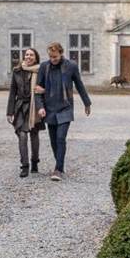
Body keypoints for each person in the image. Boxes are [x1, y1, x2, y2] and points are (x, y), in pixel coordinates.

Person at [35, 40, 90, 182]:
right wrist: (40, 107)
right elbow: (37, 90)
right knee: (53, 141)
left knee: (61, 138)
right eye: (51, 57)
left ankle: (58, 169)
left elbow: (79, 84)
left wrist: (86, 103)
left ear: (61, 53)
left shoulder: (71, 66)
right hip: (49, 108)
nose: (53, 60)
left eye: (55, 57)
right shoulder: (44, 67)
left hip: (65, 108)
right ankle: (59, 164)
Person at [6, 47, 46, 177]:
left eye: (31, 55)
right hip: (20, 107)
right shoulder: (17, 71)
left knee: (34, 135)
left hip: (34, 106)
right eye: (27, 55)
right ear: (24, 57)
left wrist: (43, 93)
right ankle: (24, 166)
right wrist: (9, 112)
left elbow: (45, 88)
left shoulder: (40, 71)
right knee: (22, 135)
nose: (28, 57)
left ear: (36, 58)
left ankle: (35, 162)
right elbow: (12, 92)